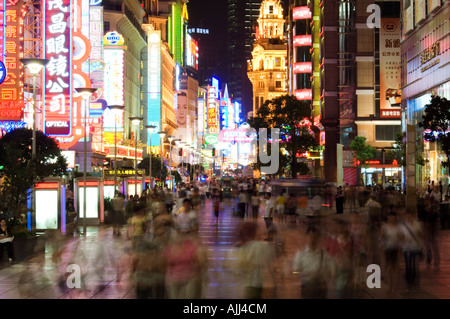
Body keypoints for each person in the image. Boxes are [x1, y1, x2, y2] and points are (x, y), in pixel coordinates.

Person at [236, 221, 275, 299]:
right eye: (258, 230)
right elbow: (268, 259)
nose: (260, 232)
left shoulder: (245, 246)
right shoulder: (257, 245)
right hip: (256, 282)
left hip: (249, 283)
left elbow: (243, 263)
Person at [293, 227, 332, 299]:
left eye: (315, 237)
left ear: (318, 238)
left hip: (321, 287)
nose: (312, 239)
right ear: (306, 237)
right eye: (310, 236)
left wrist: (323, 274)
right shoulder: (301, 254)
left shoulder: (324, 254)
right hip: (307, 286)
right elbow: (295, 271)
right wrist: (306, 274)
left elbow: (330, 270)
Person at [399, 210, 423, 289]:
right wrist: (403, 239)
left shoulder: (417, 224)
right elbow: (401, 236)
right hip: (406, 247)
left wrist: (416, 231)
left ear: (412, 216)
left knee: (414, 263)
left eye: (409, 216)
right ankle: (409, 279)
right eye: (406, 216)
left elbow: (420, 234)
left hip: (415, 246)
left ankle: (414, 277)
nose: (408, 217)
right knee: (408, 263)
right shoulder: (403, 225)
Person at [381, 212, 401, 293]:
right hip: (387, 249)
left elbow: (400, 239)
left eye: (394, 217)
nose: (392, 219)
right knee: (389, 268)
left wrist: (400, 250)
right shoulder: (385, 227)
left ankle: (395, 286)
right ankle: (390, 285)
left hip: (395, 249)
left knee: (395, 268)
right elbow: (382, 238)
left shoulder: (398, 227)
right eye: (390, 217)